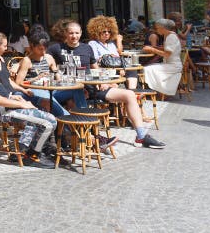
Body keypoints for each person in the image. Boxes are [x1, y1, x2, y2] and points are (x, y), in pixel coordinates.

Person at [49, 21, 165, 149]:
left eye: (77, 33)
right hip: (69, 88)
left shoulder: (86, 48)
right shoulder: (56, 48)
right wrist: (55, 72)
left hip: (92, 87)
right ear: (65, 33)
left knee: (129, 95)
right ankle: (94, 137)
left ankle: (141, 136)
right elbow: (46, 62)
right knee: (77, 91)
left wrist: (105, 82)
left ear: (81, 33)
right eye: (71, 33)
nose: (74, 36)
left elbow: (95, 68)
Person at [0, 30, 57, 168]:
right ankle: (32, 155)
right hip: (1, 111)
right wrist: (21, 105)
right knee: (49, 121)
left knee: (42, 116)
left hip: (1, 106)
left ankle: (24, 149)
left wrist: (13, 97)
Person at [15, 30, 84, 118]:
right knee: (53, 105)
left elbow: (57, 75)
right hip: (35, 91)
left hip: (51, 90)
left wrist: (63, 79)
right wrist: (36, 78)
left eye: (45, 49)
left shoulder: (49, 58)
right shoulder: (27, 61)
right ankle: (69, 121)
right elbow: (18, 83)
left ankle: (84, 115)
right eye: (40, 49)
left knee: (78, 89)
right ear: (32, 46)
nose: (43, 52)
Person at [86, 15, 137, 90]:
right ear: (97, 32)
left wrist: (122, 68)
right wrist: (110, 56)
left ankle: (132, 91)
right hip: (104, 70)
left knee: (132, 69)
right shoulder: (93, 43)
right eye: (104, 31)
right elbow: (95, 60)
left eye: (109, 31)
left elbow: (117, 58)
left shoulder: (111, 44)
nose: (107, 33)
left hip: (115, 69)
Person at [142, 19, 183, 96]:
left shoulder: (171, 37)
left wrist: (152, 49)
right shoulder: (168, 35)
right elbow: (166, 50)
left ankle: (162, 90)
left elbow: (167, 54)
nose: (156, 30)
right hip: (170, 64)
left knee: (147, 69)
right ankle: (160, 90)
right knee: (149, 67)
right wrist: (153, 47)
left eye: (157, 28)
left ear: (162, 28)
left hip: (173, 66)